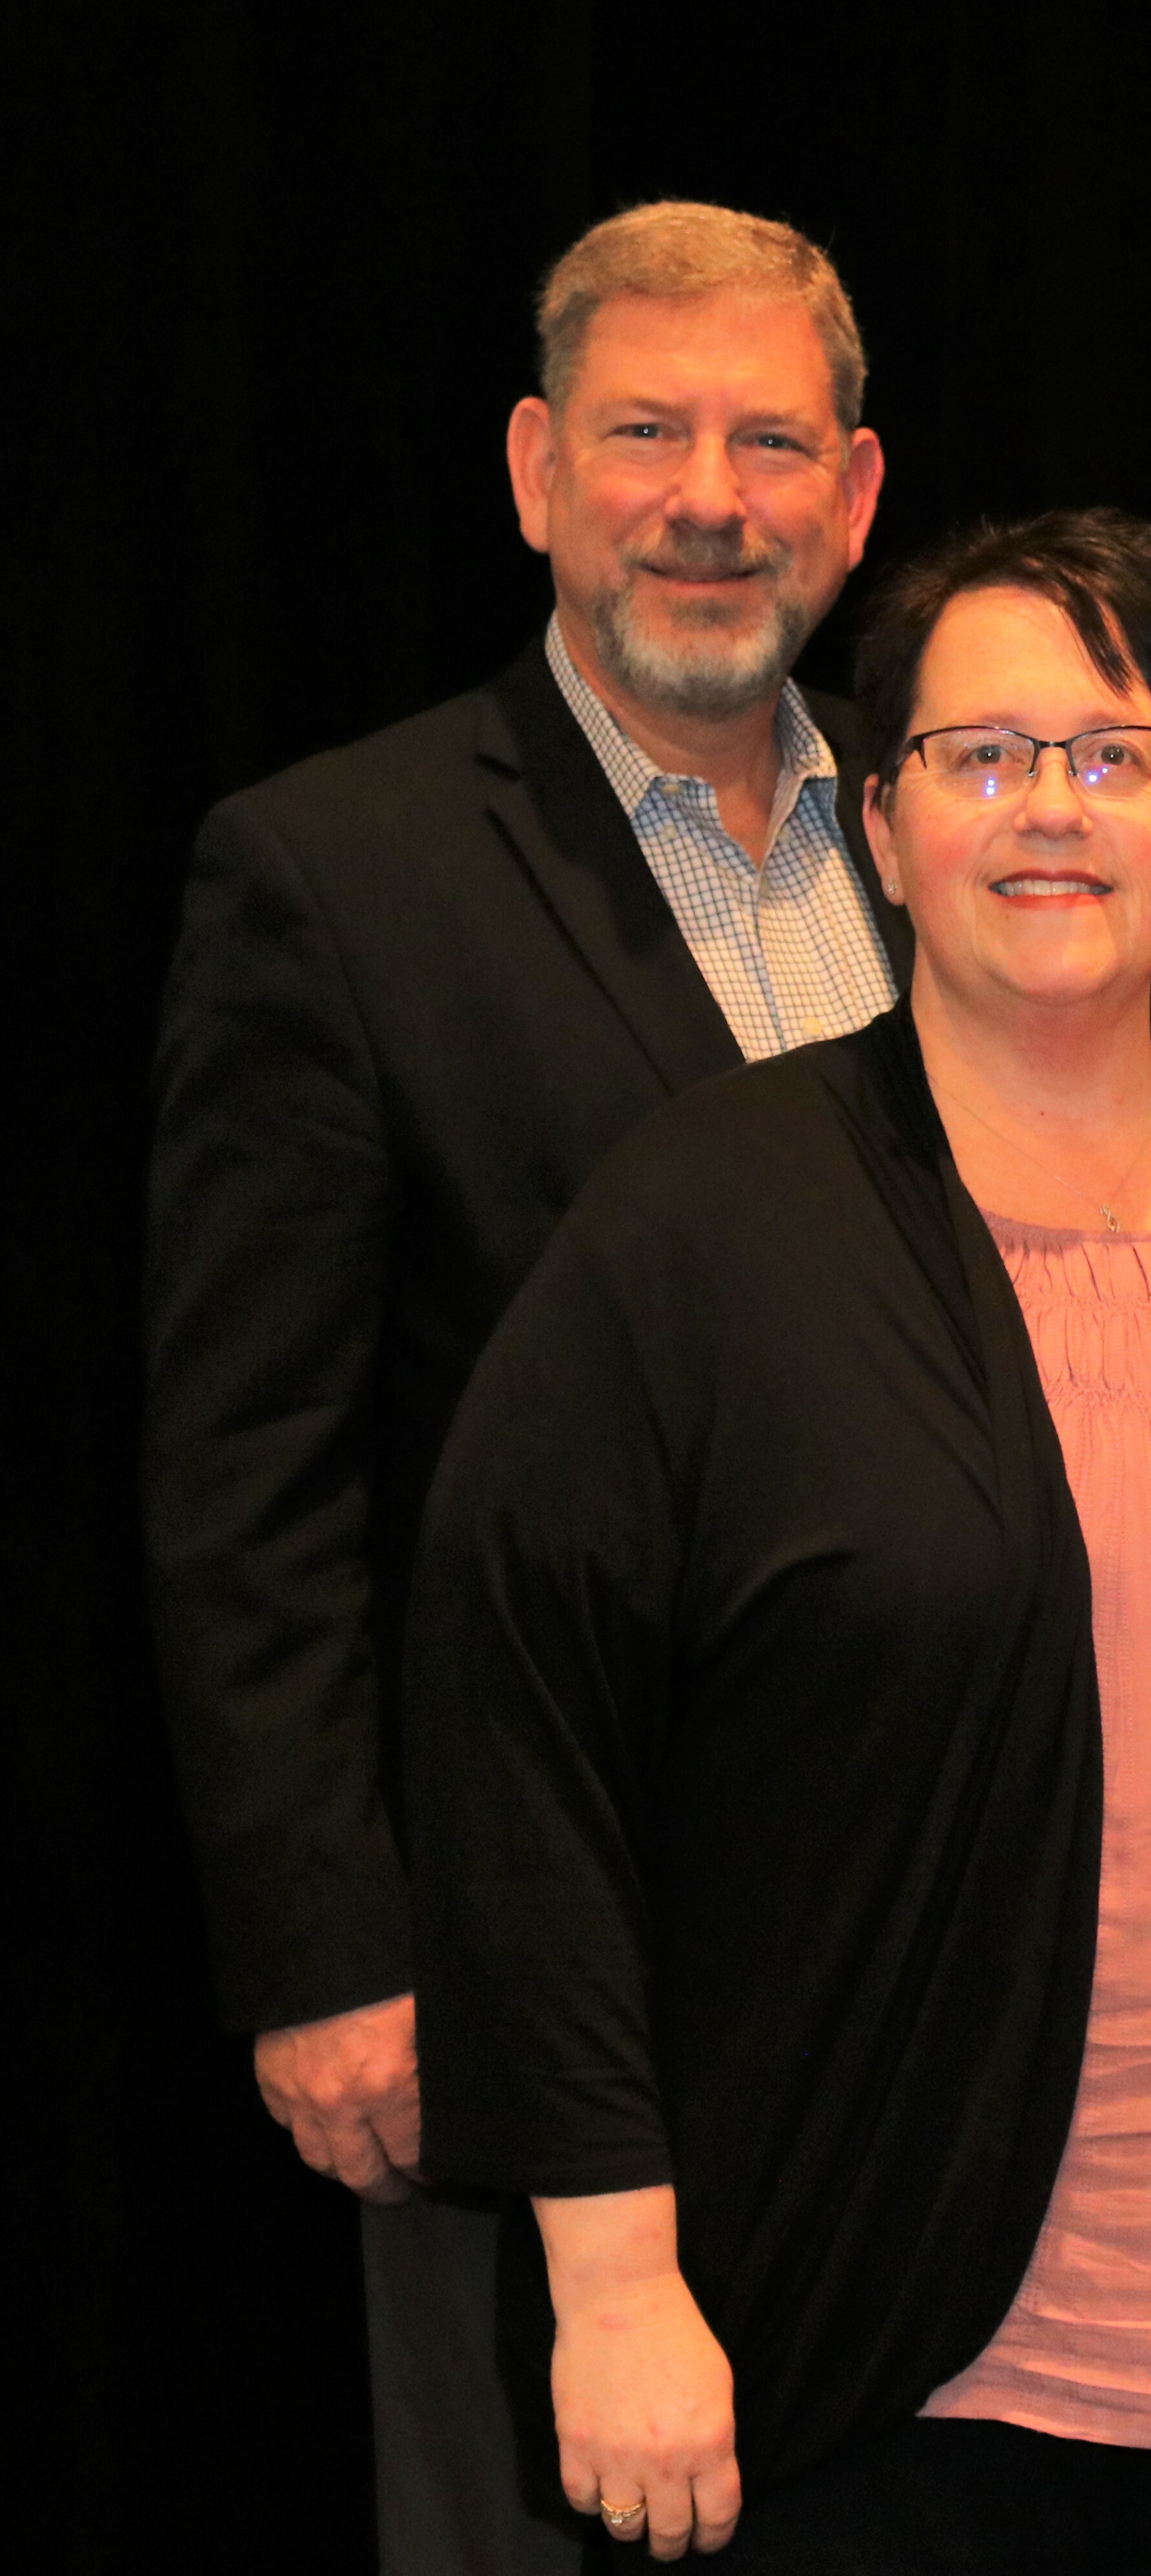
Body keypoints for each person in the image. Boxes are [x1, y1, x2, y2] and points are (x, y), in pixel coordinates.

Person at [405, 511, 1151, 2570]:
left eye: (1117, 754)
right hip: (861, 2371)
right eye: (980, 755)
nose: (1051, 808)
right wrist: (608, 2279)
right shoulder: (698, 1227)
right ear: (881, 824)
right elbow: (524, 1754)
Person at [143, 200, 895, 2573]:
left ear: (855, 493)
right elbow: (249, 1470)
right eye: (645, 433)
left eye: (768, 438)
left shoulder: (962, 830)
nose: (707, 496)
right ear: (531, 470)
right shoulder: (334, 872)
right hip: (527, 1975)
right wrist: (333, 1949)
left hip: (906, 1950)